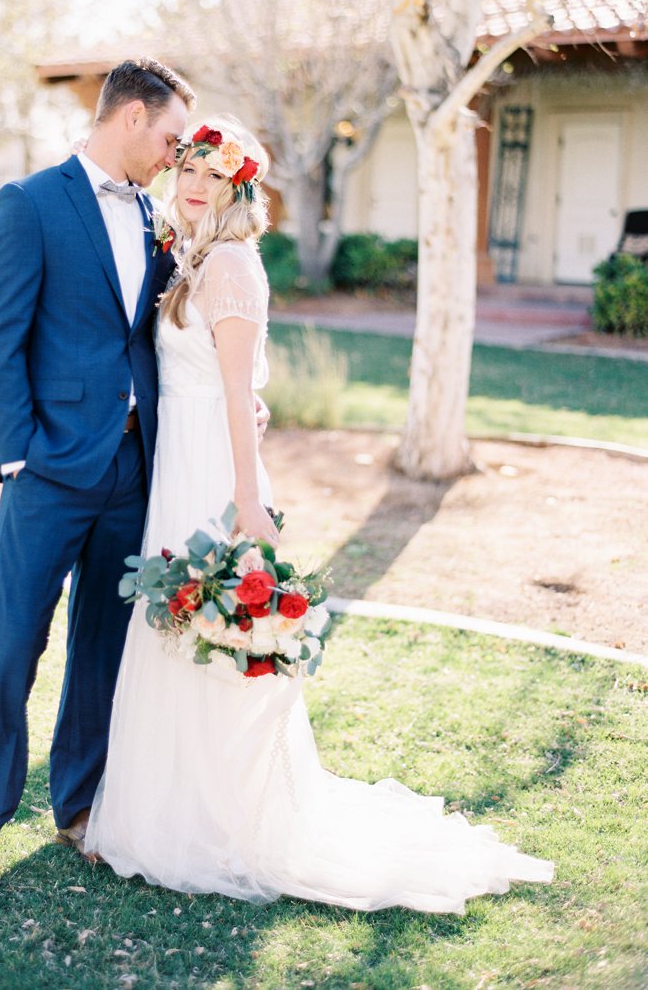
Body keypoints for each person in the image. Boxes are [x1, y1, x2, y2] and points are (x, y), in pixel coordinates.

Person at [85, 115, 555, 912]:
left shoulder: (230, 264)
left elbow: (237, 392)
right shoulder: (191, 255)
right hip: (181, 464)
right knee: (173, 635)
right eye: (187, 171)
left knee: (210, 635)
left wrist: (245, 494)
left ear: (239, 190)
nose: (193, 185)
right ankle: (170, 809)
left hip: (215, 472)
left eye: (212, 176)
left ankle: (221, 823)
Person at [0, 58, 195, 888]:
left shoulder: (158, 213)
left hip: (132, 466)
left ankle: (79, 805)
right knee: (11, 643)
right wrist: (19, 454)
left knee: (103, 647)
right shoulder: (31, 203)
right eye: (167, 135)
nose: (173, 151)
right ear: (129, 117)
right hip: (48, 469)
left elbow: (153, 336)